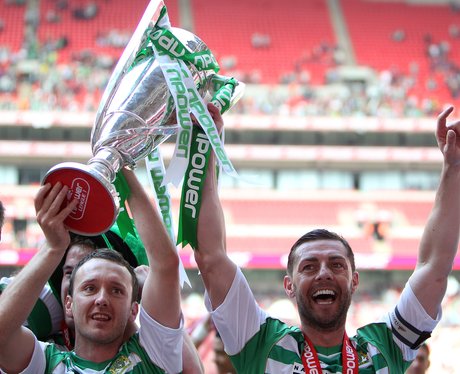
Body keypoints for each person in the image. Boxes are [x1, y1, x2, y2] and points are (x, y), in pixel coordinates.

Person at [193, 104, 460, 372]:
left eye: (337, 264)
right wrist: (206, 149)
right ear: (289, 286)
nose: (324, 273)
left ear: (354, 280)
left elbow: (434, 267)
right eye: (309, 266)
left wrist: (454, 166)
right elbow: (212, 259)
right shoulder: (259, 342)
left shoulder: (386, 345)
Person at [0, 168, 184, 373]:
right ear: (68, 304)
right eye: (89, 288)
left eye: (117, 290)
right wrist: (53, 249)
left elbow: (165, 265)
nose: (102, 299)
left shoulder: (154, 355)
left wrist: (122, 167)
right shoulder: (47, 363)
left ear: (134, 310)